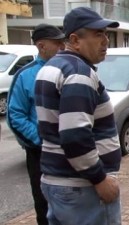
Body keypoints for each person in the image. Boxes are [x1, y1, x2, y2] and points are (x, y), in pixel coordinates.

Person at [34, 7, 121, 225]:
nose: (106, 41)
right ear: (75, 39)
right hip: (82, 188)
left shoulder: (51, 67)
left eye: (106, 34)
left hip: (58, 182)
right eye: (98, 34)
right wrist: (100, 179)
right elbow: (75, 135)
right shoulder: (79, 73)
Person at [6, 23, 65, 225]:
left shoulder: (69, 70)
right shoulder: (25, 76)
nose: (62, 47)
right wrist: (41, 140)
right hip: (41, 155)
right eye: (57, 43)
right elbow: (15, 116)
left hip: (70, 152)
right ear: (41, 46)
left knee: (72, 206)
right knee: (45, 207)